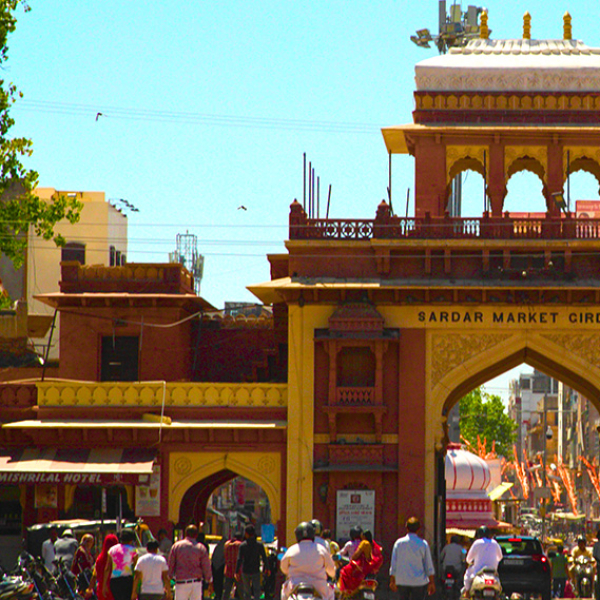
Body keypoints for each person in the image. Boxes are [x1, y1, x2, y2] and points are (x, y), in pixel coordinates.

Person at [280, 521, 336, 600]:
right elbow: (331, 571)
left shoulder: (291, 550)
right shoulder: (321, 549)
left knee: (284, 593)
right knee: (331, 593)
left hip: (294, 586)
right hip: (319, 587)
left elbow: (284, 569)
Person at [389, 517, 435, 600]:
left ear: (406, 528)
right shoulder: (423, 544)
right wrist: (431, 582)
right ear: (418, 529)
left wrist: (392, 580)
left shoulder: (398, 543)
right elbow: (428, 565)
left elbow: (393, 563)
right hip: (419, 582)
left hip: (402, 581)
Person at [168, 524, 213, 600]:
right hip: (196, 584)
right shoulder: (200, 548)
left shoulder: (176, 546)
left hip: (181, 583)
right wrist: (210, 581)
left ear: (185, 533)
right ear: (196, 535)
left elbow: (171, 564)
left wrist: (168, 579)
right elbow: (206, 566)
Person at [339, 529, 381, 594]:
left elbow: (354, 555)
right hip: (370, 568)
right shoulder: (373, 544)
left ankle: (348, 591)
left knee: (344, 572)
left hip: (359, 566)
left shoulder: (363, 543)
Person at [463, 527, 502, 596]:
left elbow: (468, 559)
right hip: (493, 572)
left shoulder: (477, 543)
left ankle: (467, 591)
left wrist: (472, 562)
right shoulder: (495, 543)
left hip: (478, 573)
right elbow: (500, 557)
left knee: (467, 575)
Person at [103, 529, 139, 600]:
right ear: (131, 540)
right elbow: (137, 569)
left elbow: (107, 568)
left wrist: (104, 585)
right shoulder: (133, 550)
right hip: (127, 581)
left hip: (114, 581)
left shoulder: (112, 550)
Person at [236, 524, 268, 600]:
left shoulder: (242, 546)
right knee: (257, 590)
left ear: (246, 534)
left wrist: (237, 571)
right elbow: (264, 557)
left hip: (245, 571)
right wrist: (267, 568)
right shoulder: (259, 545)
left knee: (247, 592)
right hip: (255, 570)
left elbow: (239, 559)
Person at [88, 533, 119, 600]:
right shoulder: (117, 559)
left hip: (102, 589)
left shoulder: (100, 559)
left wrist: (90, 588)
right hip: (115, 588)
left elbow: (94, 575)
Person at [222, 532, 243, 600]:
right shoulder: (240, 545)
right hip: (238, 571)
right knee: (241, 592)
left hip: (228, 570)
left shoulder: (226, 544)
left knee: (226, 592)